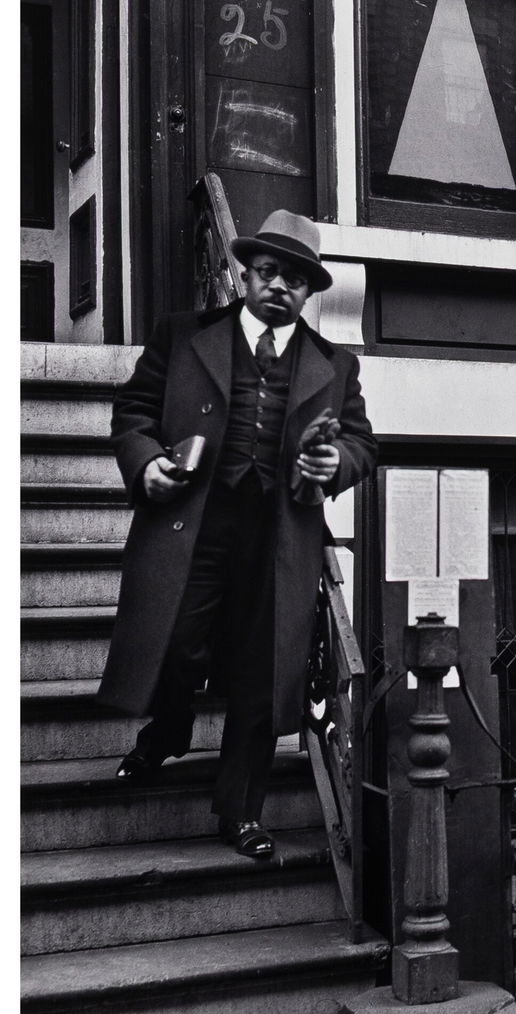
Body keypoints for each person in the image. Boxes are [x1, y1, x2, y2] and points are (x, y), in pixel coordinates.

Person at [96, 210, 377, 858]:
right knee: (173, 646)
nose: (281, 286)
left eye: (297, 280)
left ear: (308, 293)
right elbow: (133, 411)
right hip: (193, 523)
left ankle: (240, 810)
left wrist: (339, 464)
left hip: (279, 535)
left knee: (260, 669)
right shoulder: (184, 335)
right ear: (245, 275)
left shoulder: (335, 366)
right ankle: (166, 733)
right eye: (270, 272)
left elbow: (363, 443)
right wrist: (147, 463)